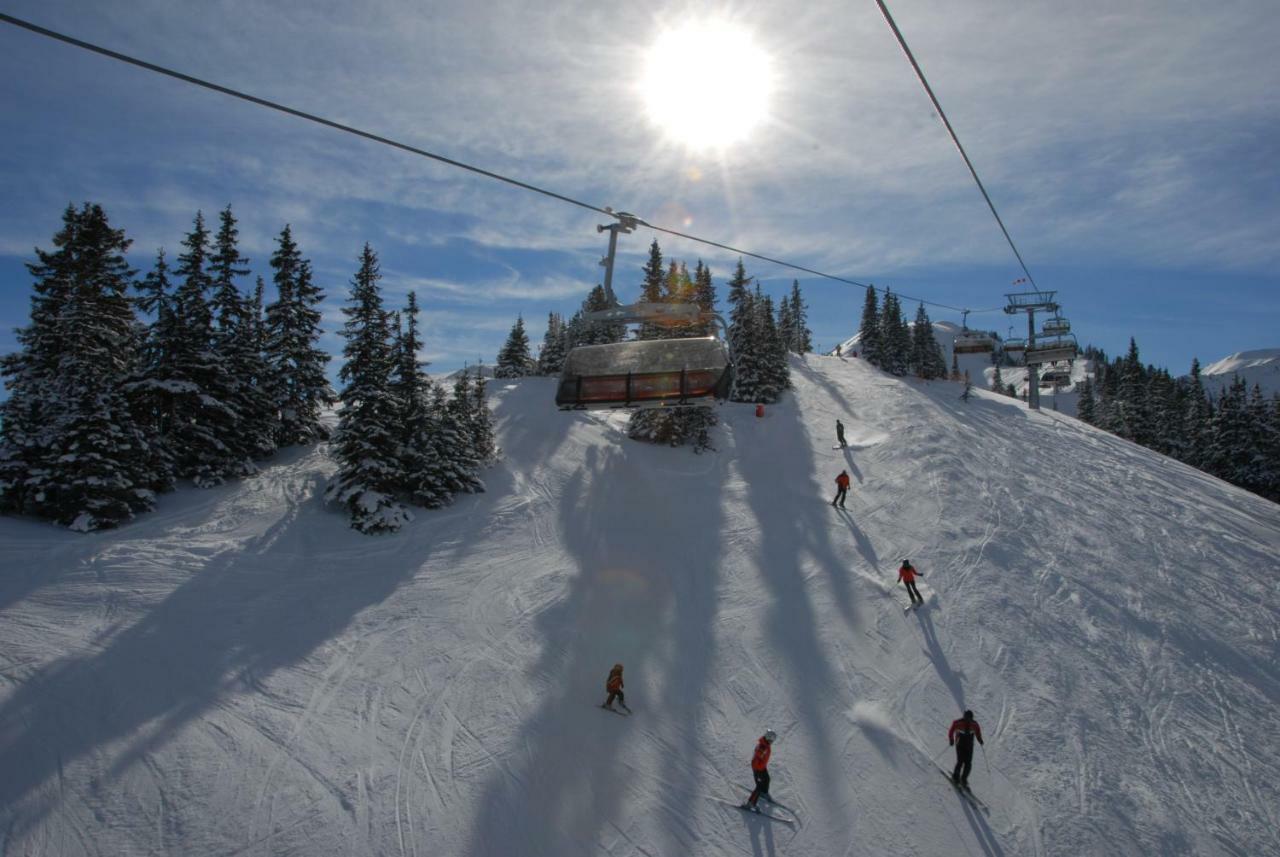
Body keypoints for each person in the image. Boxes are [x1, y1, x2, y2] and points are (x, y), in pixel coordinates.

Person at [743, 729, 777, 811]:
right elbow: (756, 759)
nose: (772, 742)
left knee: (767, 779)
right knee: (759, 786)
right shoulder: (762, 747)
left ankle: (764, 793)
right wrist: (757, 770)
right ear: (769, 738)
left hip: (762, 767)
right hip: (758, 769)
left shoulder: (765, 744)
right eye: (772, 740)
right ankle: (751, 803)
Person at [948, 710, 984, 786]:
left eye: (969, 719)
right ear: (964, 717)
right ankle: (956, 776)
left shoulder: (974, 724)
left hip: (969, 746)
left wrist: (980, 739)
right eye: (966, 718)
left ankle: (964, 779)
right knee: (960, 761)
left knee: (968, 764)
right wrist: (951, 740)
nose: (968, 720)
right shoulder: (958, 723)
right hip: (960, 744)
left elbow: (977, 732)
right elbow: (951, 731)